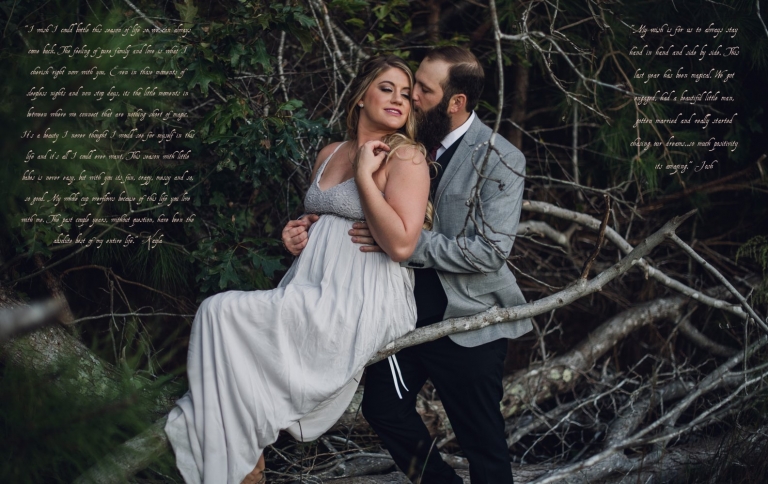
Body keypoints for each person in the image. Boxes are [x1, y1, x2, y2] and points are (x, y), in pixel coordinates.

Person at [164, 55, 431, 484]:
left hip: (362, 294)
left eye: (406, 94)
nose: (399, 99)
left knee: (222, 311)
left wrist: (365, 175)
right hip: (311, 282)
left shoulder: (406, 157)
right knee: (216, 312)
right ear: (362, 95)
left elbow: (401, 243)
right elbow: (324, 224)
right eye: (387, 88)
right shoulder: (330, 153)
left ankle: (240, 457)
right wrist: (297, 237)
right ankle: (245, 459)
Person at [283, 46, 532, 484]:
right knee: (383, 408)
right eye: (409, 83)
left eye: (422, 88)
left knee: (483, 442)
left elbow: (490, 251)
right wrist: (312, 226)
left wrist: (402, 242)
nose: (411, 95)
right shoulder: (402, 140)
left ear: (455, 102)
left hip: (468, 318)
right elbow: (358, 203)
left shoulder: (501, 159)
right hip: (401, 312)